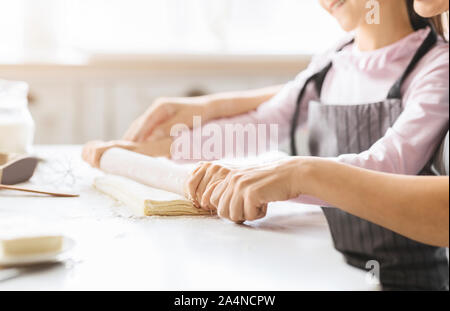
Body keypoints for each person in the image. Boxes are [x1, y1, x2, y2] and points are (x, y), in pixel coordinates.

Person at [83, 0, 449, 290]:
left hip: (402, 277)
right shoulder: (333, 59)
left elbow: (389, 165)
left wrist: (288, 177)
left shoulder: (436, 66)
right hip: (334, 262)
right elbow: (262, 124)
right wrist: (155, 151)